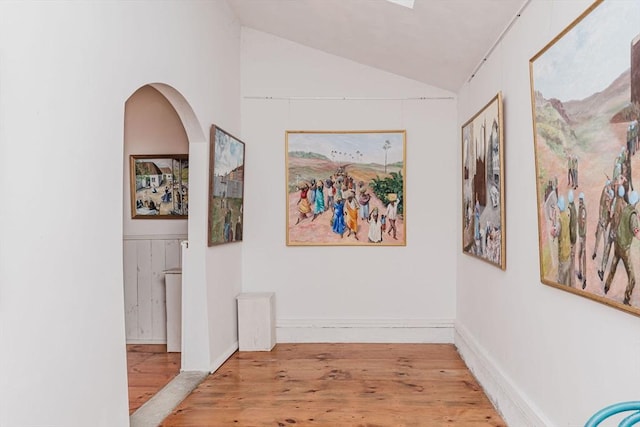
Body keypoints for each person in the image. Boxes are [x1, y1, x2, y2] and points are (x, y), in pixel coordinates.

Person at [604, 190, 640, 305]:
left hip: (618, 243)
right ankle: (626, 298)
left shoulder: (626, 208)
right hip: (624, 248)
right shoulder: (633, 216)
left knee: (614, 264)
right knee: (632, 278)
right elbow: (637, 233)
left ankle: (606, 286)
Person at [599, 185, 627, 281]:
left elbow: (611, 214)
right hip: (618, 234)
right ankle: (610, 278)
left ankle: (602, 271)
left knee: (607, 249)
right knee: (616, 256)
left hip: (612, 230)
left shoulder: (615, 201)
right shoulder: (625, 205)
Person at [592, 180, 614, 262]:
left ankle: (604, 256)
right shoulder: (605, 195)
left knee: (605, 240)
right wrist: (600, 218)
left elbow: (610, 211)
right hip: (602, 221)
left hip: (606, 223)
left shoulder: (609, 194)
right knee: (598, 238)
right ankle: (595, 252)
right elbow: (601, 207)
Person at [552, 195, 571, 285]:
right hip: (568, 250)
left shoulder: (560, 220)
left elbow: (555, 233)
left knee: (561, 280)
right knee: (567, 278)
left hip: (563, 252)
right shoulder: (567, 215)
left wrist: (553, 229)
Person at [577, 192, 587, 289]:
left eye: (581, 199)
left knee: (583, 255)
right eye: (579, 199)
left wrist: (580, 222)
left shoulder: (583, 209)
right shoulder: (580, 208)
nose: (580, 201)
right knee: (579, 255)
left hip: (583, 236)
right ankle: (580, 272)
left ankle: (584, 278)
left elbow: (582, 222)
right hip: (580, 235)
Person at [568, 190, 577, 287]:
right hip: (574, 237)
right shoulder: (574, 207)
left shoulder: (569, 209)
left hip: (571, 238)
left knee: (571, 263)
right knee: (573, 262)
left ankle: (572, 284)